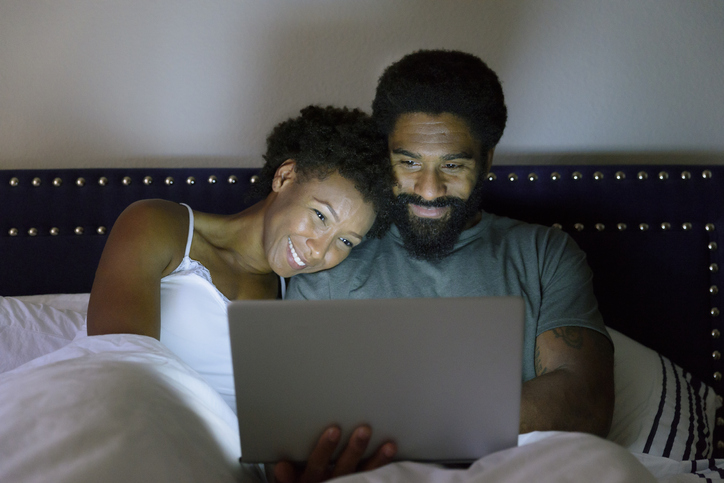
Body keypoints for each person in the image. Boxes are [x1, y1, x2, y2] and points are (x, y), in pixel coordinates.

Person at [287, 50, 615, 438]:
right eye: (408, 163)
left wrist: (407, 422)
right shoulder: (331, 256)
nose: (429, 191)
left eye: (452, 165)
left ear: (487, 160)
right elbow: (297, 421)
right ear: (384, 155)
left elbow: (587, 403)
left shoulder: (545, 255)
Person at [86, 105, 399, 481]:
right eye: (320, 216)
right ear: (285, 177)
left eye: (345, 240)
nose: (319, 250)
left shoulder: (299, 298)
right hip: (147, 441)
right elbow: (119, 370)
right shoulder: (158, 226)